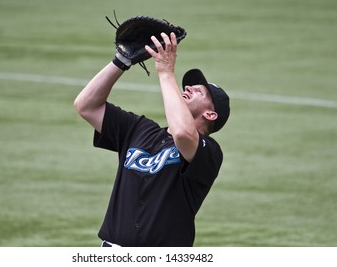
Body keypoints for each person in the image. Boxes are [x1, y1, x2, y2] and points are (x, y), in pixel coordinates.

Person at [74, 32, 230, 247]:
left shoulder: (209, 152)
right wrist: (121, 61)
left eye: (199, 92)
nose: (188, 88)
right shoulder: (138, 129)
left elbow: (183, 134)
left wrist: (166, 72)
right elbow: (86, 106)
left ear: (210, 115)